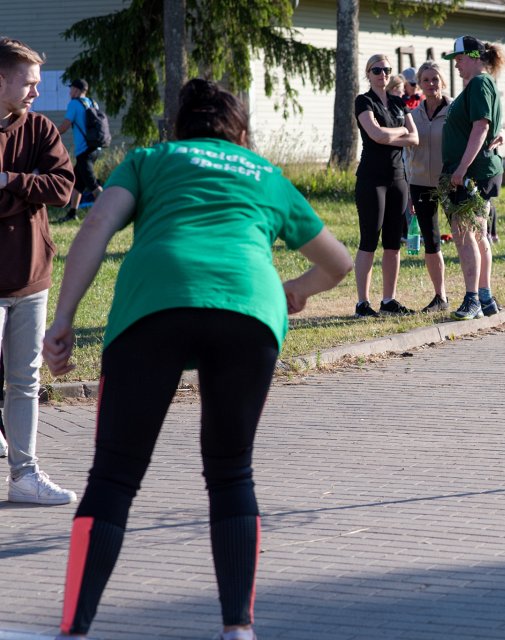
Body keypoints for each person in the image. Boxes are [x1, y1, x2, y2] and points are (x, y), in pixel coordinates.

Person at [44, 78, 353, 640]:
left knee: (114, 476)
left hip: (153, 304)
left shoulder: (150, 159)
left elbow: (95, 226)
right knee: (231, 471)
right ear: (241, 132)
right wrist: (295, 288)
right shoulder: (265, 174)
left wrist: (63, 319)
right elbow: (338, 264)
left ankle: (75, 628)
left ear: (181, 129)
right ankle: (238, 628)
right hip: (248, 308)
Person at [0, 37, 77, 505]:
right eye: (28, 83)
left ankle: (24, 476)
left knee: (25, 380)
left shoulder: (42, 131)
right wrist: (26, 195)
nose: (35, 92)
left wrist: (11, 181)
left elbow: (63, 188)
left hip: (31, 276)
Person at [440, 35, 505, 320]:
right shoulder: (481, 84)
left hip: (471, 173)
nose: (456, 65)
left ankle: (473, 299)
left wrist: (460, 168)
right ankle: (485, 297)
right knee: (478, 235)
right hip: (479, 170)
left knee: (465, 235)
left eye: (459, 59)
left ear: (474, 57)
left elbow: (481, 126)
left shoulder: (479, 83)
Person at [353, 54, 419, 318]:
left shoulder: (398, 102)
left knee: (393, 243)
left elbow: (414, 138)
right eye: (377, 70)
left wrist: (393, 134)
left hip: (398, 179)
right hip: (372, 179)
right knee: (369, 239)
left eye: (387, 70)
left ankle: (389, 300)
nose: (382, 74)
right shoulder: (363, 101)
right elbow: (375, 134)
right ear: (368, 74)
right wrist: (399, 132)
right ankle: (362, 304)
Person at [407, 61, 451, 312]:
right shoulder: (413, 115)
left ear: (442, 82)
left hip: (451, 183)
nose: (431, 84)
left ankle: (475, 294)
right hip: (420, 184)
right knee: (432, 241)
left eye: (435, 79)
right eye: (426, 80)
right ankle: (440, 297)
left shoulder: (456, 109)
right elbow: (406, 154)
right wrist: (408, 184)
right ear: (420, 84)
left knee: (466, 238)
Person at [55, 79, 103, 223]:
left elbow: (65, 125)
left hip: (84, 151)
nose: (70, 92)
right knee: (78, 183)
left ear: (76, 90)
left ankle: (109, 212)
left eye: (71, 89)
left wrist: (51, 134)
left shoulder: (74, 104)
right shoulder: (93, 103)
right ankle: (72, 213)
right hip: (95, 148)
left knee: (92, 184)